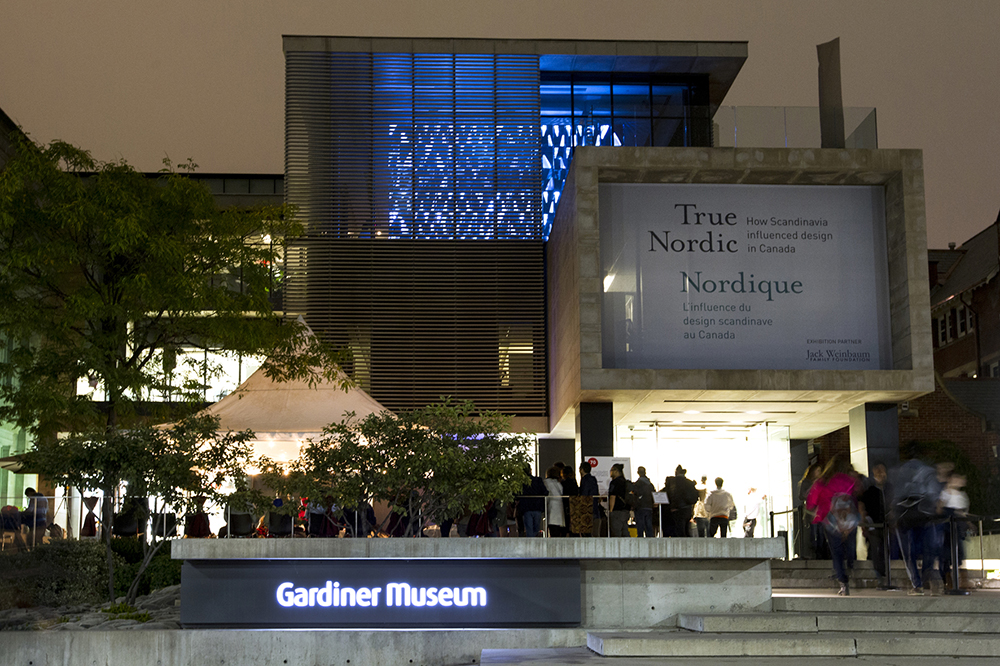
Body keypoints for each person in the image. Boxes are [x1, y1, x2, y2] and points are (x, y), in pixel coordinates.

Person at [889, 450, 944, 595]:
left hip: (904, 517)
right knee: (928, 549)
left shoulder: (898, 471)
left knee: (908, 553)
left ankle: (917, 585)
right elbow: (935, 496)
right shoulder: (929, 472)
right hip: (924, 516)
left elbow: (894, 497)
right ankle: (928, 574)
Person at [807, 455, 861, 596]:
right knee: (850, 547)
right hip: (848, 520)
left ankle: (843, 582)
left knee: (836, 553)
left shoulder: (821, 482)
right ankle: (850, 564)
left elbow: (811, 502)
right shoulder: (849, 480)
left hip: (830, 521)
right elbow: (856, 496)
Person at [858, 462, 889, 588]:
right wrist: (864, 521)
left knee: (886, 549)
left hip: (887, 525)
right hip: (874, 525)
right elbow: (862, 505)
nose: (881, 475)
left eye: (883, 472)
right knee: (876, 550)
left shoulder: (889, 489)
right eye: (878, 473)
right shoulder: (870, 491)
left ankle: (885, 574)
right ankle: (880, 575)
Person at [665, 465, 698, 537]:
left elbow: (673, 495)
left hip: (677, 510)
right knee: (686, 529)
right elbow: (695, 497)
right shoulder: (690, 483)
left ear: (676, 472)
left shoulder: (674, 482)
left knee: (679, 529)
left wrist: (673, 506)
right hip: (688, 509)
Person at [516, 466, 547, 537]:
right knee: (536, 528)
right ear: (530, 470)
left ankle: (531, 543)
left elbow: (516, 494)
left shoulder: (521, 482)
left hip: (526, 508)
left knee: (529, 529)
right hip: (537, 507)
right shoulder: (538, 480)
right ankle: (534, 542)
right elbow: (545, 492)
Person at [607, 463, 631, 537]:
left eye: (611, 470)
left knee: (616, 533)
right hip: (626, 511)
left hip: (617, 511)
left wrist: (611, 511)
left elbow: (612, 496)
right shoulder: (625, 482)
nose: (610, 472)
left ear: (616, 471)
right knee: (625, 533)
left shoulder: (614, 482)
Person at [578, 462, 600, 537]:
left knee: (586, 532)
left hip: (587, 509)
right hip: (594, 508)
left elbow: (584, 494)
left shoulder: (585, 480)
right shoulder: (593, 479)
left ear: (581, 470)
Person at [633, 466, 655, 537]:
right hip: (649, 507)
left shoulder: (637, 484)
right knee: (649, 526)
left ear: (638, 472)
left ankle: (640, 541)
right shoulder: (650, 484)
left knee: (640, 526)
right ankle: (650, 541)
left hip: (640, 507)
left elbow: (635, 495)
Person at [544, 467, 566, 537]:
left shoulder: (546, 482)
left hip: (551, 507)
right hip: (560, 508)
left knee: (553, 530)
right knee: (559, 530)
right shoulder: (558, 483)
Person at [560, 465, 581, 536]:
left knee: (565, 527)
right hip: (574, 506)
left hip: (565, 506)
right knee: (574, 529)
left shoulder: (563, 484)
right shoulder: (574, 483)